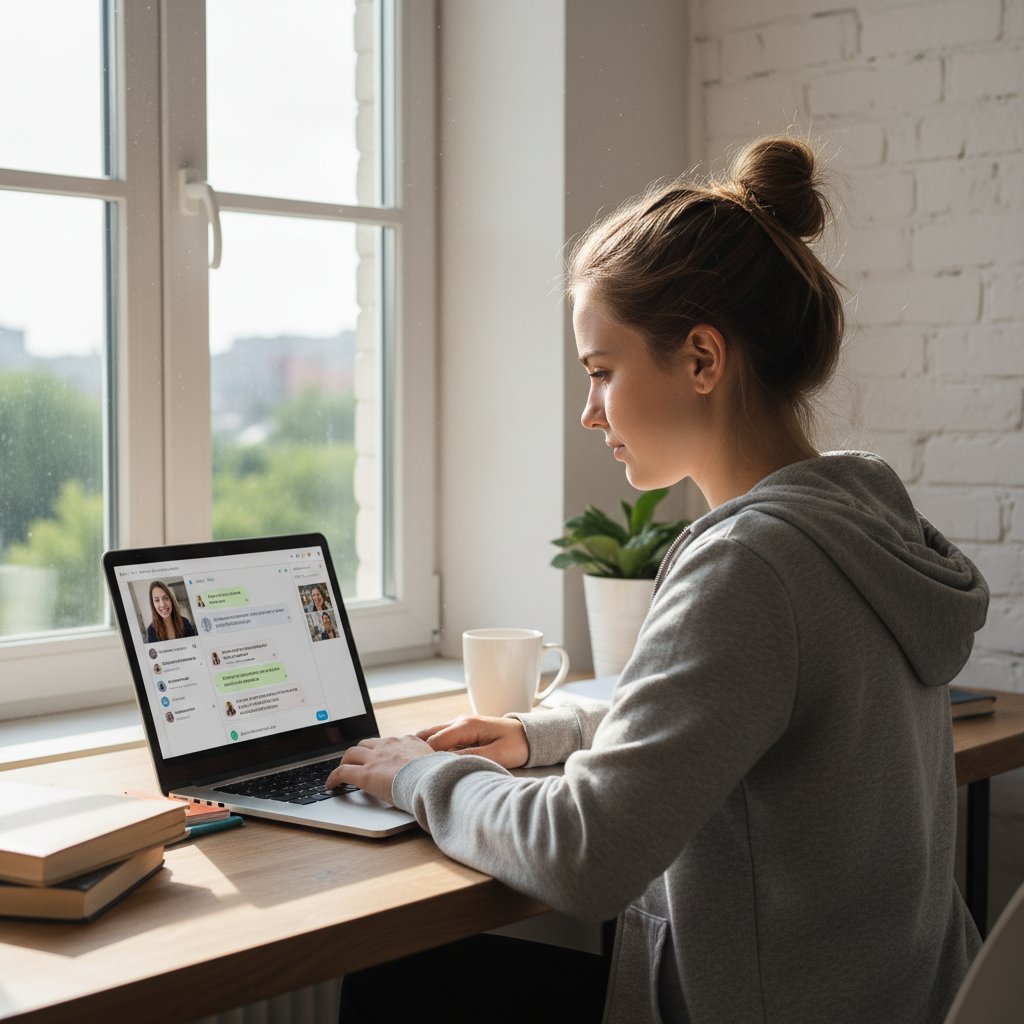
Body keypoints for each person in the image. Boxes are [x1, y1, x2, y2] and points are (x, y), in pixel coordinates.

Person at [328, 137, 989, 1024]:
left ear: (702, 360)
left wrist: (415, 775)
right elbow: (749, 704)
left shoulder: (754, 562)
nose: (589, 410)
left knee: (391, 985)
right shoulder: (859, 521)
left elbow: (582, 856)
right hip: (896, 995)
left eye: (602, 372)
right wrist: (542, 735)